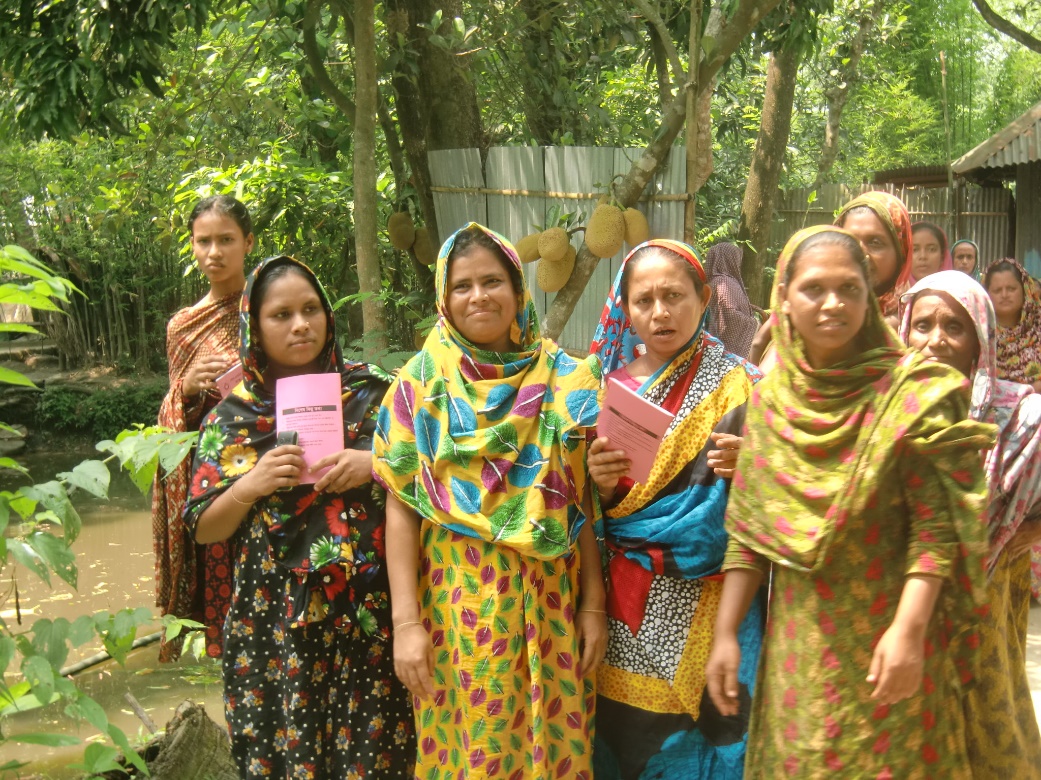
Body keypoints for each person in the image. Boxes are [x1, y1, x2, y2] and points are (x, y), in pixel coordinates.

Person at [705, 226, 994, 779]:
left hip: (892, 643)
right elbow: (749, 534)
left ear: (870, 296)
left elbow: (935, 530)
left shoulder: (913, 396)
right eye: (814, 288)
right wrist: (725, 635)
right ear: (784, 299)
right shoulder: (770, 405)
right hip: (801, 661)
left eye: (849, 288)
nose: (833, 303)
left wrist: (909, 631)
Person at [374, 223, 607, 780]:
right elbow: (402, 508)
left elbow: (581, 505)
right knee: (472, 755)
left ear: (519, 290)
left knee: (555, 750)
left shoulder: (569, 381)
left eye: (493, 281)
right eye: (462, 286)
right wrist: (406, 625)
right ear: (443, 298)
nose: (478, 296)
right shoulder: (418, 387)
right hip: (459, 610)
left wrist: (594, 605)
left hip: (554, 601)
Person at [182, 256, 414, 778]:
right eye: (280, 315)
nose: (300, 324)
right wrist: (252, 484)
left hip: (369, 618)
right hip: (273, 625)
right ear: (254, 327)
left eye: (310, 310)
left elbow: (431, 479)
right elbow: (202, 527)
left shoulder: (375, 394)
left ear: (329, 317)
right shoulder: (234, 415)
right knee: (286, 758)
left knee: (375, 759)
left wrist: (375, 465)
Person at [586, 239, 765, 779]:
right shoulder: (603, 389)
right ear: (626, 309)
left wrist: (759, 459)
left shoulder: (745, 385)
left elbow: (779, 495)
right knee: (636, 743)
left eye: (674, 295)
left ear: (704, 297)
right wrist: (603, 485)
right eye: (644, 300)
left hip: (721, 599)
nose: (660, 312)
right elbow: (598, 512)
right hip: (628, 603)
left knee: (717, 743)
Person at [899, 270, 1041, 776]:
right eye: (922, 325)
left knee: (987, 713)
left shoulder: (1021, 416)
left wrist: (1028, 531)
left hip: (986, 594)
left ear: (980, 335)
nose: (935, 339)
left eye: (953, 327)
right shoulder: (885, 409)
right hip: (898, 600)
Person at [153, 194, 253, 661]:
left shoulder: (273, 305)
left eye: (226, 240)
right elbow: (176, 428)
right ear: (192, 248)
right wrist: (186, 391)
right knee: (229, 607)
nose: (214, 252)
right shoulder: (184, 326)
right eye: (203, 241)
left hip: (274, 464)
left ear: (247, 243)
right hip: (217, 481)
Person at [749, 191, 914, 367]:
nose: (862, 254)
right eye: (850, 240)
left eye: (875, 242)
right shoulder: (803, 317)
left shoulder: (919, 321)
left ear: (901, 253)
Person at [984, 257, 1041, 600]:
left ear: (1025, 292)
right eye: (996, 289)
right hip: (998, 440)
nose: (1004, 295)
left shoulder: (1038, 331)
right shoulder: (981, 333)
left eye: (1011, 289)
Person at [704, 242, 759, 359]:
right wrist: (754, 323)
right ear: (729, 259)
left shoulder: (718, 281)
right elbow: (729, 315)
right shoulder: (723, 283)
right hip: (727, 351)